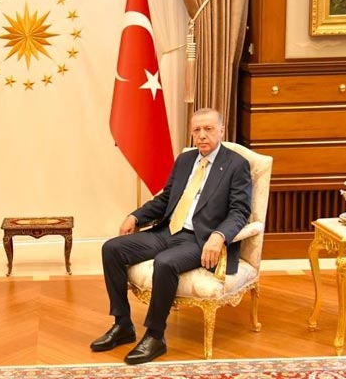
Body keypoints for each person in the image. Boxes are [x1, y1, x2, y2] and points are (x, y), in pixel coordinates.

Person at [90, 108, 252, 364]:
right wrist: (136, 216)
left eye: (208, 129)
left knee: (165, 262)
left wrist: (219, 235)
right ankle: (122, 325)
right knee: (112, 248)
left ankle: (155, 336)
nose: (202, 136)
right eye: (197, 130)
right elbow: (166, 199)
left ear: (221, 130)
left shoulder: (236, 165)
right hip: (168, 230)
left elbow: (240, 211)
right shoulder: (186, 160)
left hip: (199, 240)